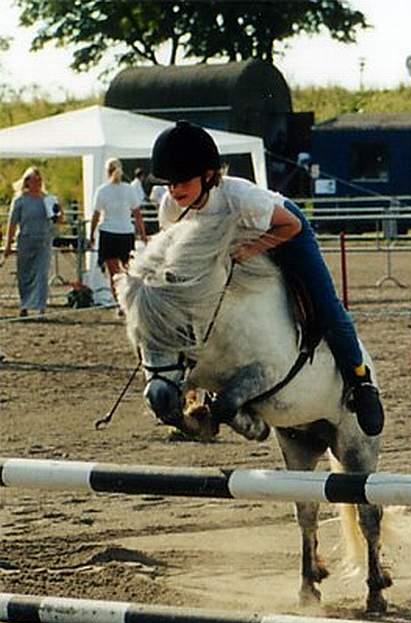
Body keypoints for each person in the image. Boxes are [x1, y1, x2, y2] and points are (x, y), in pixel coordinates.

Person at [151, 120, 384, 437]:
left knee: (326, 305)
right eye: (169, 184)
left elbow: (291, 227)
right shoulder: (171, 207)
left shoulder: (240, 198)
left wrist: (252, 249)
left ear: (207, 176)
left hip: (283, 233)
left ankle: (360, 381)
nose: (175, 191)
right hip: (231, 251)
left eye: (182, 182)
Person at [3, 166, 62, 317]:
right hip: (25, 241)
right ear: (27, 182)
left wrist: (58, 211)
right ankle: (25, 305)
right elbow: (12, 223)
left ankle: (41, 306)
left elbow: (59, 220)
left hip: (43, 241)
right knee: (25, 274)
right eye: (33, 180)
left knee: (42, 274)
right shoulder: (20, 200)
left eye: (38, 180)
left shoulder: (47, 199)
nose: (36, 183)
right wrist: (8, 244)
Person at [90, 158, 147, 312]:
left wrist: (91, 234)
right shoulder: (129, 189)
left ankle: (119, 303)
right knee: (128, 271)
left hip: (109, 233)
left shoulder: (102, 190)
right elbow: (137, 214)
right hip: (126, 233)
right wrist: (143, 233)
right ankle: (129, 302)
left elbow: (96, 215)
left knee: (114, 273)